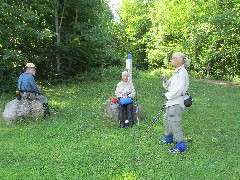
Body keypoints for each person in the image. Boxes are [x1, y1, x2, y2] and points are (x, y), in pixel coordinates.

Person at [159, 52, 190, 153]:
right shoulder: (176, 71)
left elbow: (179, 89)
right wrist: (165, 80)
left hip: (177, 102)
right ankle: (168, 138)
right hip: (171, 101)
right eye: (172, 58)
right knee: (166, 119)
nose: (172, 60)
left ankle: (181, 146)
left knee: (174, 122)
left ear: (180, 60)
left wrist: (168, 95)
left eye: (174, 58)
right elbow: (168, 85)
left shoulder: (182, 72)